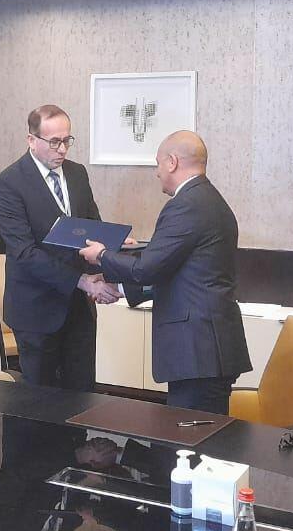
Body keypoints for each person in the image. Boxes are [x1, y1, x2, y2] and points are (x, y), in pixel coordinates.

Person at [80, 131, 249, 414]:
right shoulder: (207, 199)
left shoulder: (186, 205)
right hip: (207, 349)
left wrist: (102, 255)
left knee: (192, 437)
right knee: (198, 433)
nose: (157, 172)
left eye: (158, 164)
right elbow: (175, 272)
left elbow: (148, 269)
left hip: (197, 351)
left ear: (172, 162)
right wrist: (117, 287)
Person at [0, 104, 119, 389]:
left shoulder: (77, 174)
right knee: (40, 403)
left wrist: (111, 247)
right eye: (54, 142)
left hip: (79, 310)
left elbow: (90, 226)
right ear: (31, 140)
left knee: (82, 395)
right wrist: (82, 281)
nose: (62, 150)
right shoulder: (7, 184)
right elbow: (25, 252)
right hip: (36, 310)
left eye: (67, 140)